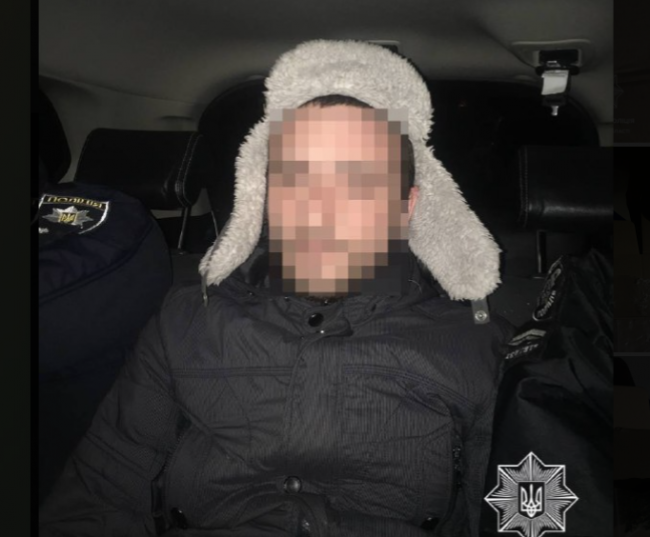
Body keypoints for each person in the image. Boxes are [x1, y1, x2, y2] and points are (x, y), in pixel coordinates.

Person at [39, 40, 513, 537]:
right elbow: (99, 494)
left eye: (358, 182)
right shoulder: (187, 321)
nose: (319, 211)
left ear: (405, 207)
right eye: (297, 179)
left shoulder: (482, 348)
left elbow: (526, 513)